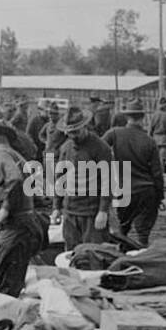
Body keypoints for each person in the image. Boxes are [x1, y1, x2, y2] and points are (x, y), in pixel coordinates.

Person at [0, 123, 44, 296]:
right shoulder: (16, 156)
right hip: (22, 225)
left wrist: (5, 209)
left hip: (15, 227)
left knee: (5, 283)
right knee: (12, 279)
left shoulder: (2, 156)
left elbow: (15, 180)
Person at [103, 100, 165, 247]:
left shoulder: (114, 134)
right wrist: (160, 196)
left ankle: (120, 257)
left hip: (124, 190)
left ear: (127, 117)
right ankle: (143, 256)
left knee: (122, 231)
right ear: (142, 117)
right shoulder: (149, 141)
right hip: (146, 191)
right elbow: (157, 172)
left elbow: (99, 149)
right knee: (143, 234)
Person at [54, 106, 114, 249]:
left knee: (93, 254)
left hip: (91, 212)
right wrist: (56, 207)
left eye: (76, 132)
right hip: (70, 212)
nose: (73, 136)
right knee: (71, 254)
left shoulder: (101, 148)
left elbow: (108, 181)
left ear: (85, 126)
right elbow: (60, 178)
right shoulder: (65, 148)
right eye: (69, 133)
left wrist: (103, 211)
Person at [149, 98, 166, 167]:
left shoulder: (154, 116)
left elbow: (150, 130)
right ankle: (161, 175)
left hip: (155, 140)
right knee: (162, 161)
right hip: (165, 141)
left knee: (155, 160)